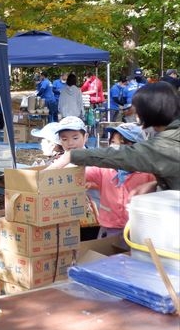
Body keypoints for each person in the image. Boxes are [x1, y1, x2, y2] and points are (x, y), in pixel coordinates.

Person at [48, 81, 180, 192]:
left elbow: (125, 155)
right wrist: (155, 185)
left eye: (138, 112)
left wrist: (73, 155)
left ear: (152, 111)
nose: (137, 117)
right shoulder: (171, 136)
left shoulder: (166, 145)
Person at [85, 123, 156, 242]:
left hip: (138, 231)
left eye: (122, 144)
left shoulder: (148, 172)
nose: (115, 147)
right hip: (109, 230)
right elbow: (83, 174)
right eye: (113, 142)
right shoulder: (104, 168)